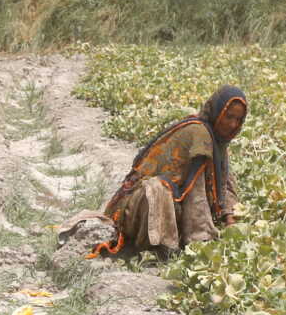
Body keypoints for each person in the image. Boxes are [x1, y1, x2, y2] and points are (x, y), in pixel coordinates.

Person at [89, 85, 247, 261]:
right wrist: (201, 243)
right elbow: (196, 193)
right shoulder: (200, 134)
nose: (233, 124)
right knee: (159, 188)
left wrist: (230, 217)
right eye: (229, 116)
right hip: (139, 207)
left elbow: (225, 183)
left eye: (239, 120)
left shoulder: (218, 141)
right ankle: (163, 249)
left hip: (171, 203)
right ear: (217, 111)